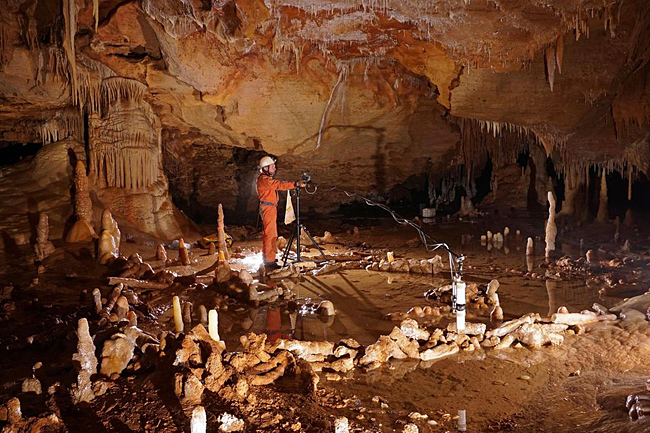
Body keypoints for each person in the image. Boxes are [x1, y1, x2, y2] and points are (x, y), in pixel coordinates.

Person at [256, 155, 306, 269]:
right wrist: (295, 184)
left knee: (269, 234)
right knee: (271, 234)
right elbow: (279, 185)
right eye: (272, 166)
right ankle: (269, 261)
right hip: (268, 208)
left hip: (269, 207)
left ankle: (268, 257)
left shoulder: (263, 179)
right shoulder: (264, 179)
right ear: (265, 168)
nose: (275, 168)